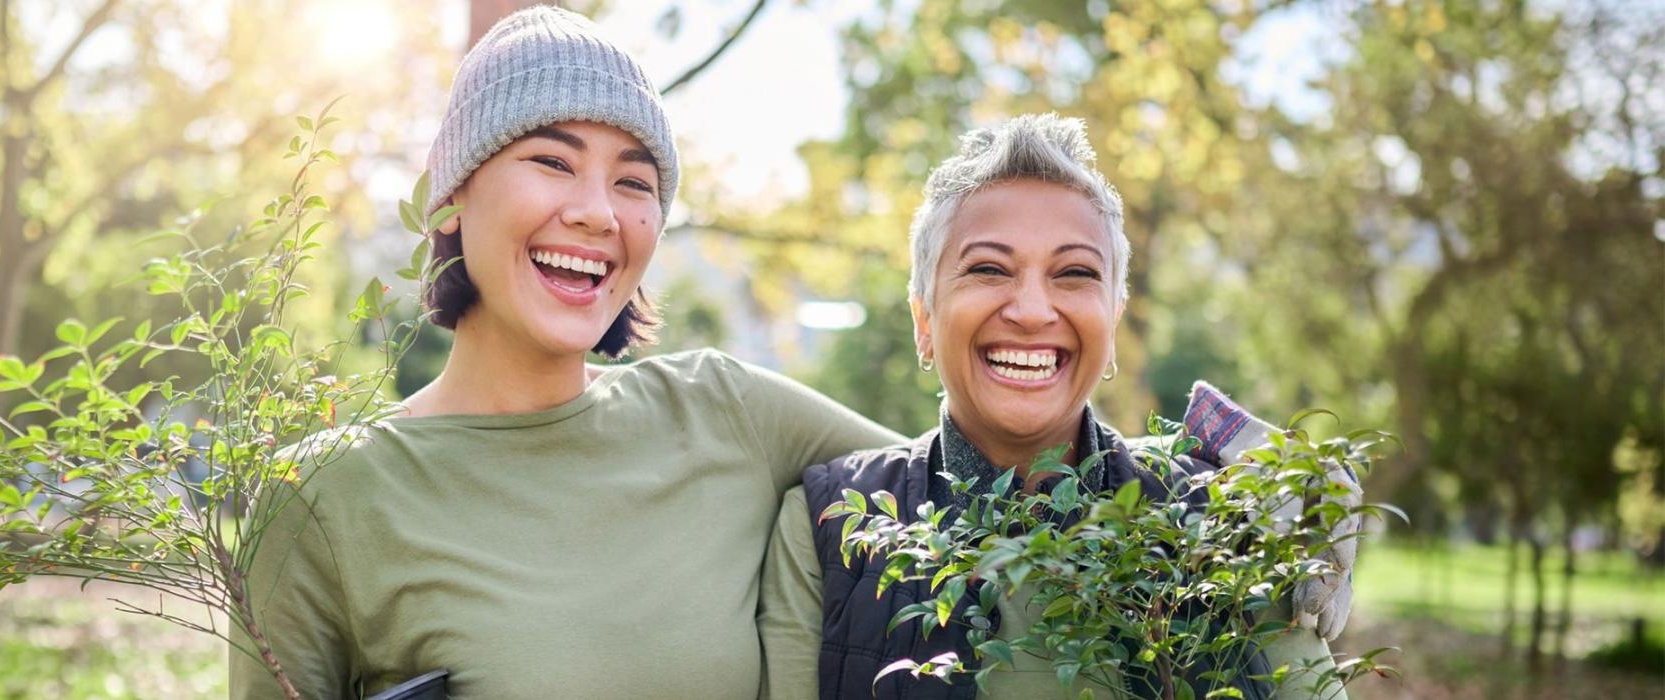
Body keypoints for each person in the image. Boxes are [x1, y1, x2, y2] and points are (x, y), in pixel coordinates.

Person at [228, 8, 904, 698]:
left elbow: (981, 501)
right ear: (451, 194)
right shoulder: (322, 497)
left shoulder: (731, 412)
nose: (598, 212)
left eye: (633, 183)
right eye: (553, 162)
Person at [758, 114, 1355, 699]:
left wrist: (1298, 485)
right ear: (924, 320)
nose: (1033, 310)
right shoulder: (826, 526)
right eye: (989, 268)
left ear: (1113, 322)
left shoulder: (1226, 514)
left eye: (1074, 272)